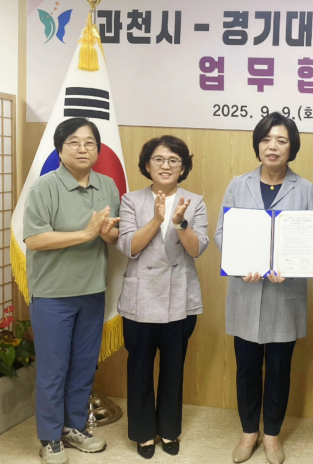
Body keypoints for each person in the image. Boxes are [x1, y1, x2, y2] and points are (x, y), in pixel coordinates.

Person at [214, 113, 313, 464]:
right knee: (246, 367)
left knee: (278, 368)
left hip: (284, 295)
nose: (272, 147)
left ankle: (272, 435)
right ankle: (249, 432)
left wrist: (292, 267)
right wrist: (240, 261)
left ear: (292, 147)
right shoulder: (238, 184)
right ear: (258, 145)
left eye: (281, 140)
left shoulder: (305, 189)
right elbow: (222, 233)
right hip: (245, 291)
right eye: (266, 140)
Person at [24, 118, 120, 464]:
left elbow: (113, 236)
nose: (83, 149)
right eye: (74, 142)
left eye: (90, 142)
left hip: (92, 290)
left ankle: (74, 427)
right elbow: (34, 239)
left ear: (98, 149)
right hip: (52, 294)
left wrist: (107, 233)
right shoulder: (45, 187)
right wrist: (86, 234)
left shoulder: (107, 185)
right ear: (60, 149)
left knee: (82, 367)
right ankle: (50, 438)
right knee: (53, 370)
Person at [116, 135, 209, 459]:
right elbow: (129, 246)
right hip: (140, 297)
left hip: (180, 298)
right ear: (147, 165)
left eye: (173, 160)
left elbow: (196, 250)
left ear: (183, 167)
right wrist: (157, 219)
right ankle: (143, 433)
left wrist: (179, 222)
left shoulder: (194, 201)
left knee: (173, 367)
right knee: (139, 367)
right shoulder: (131, 200)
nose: (165, 165)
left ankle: (169, 430)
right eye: (158, 159)